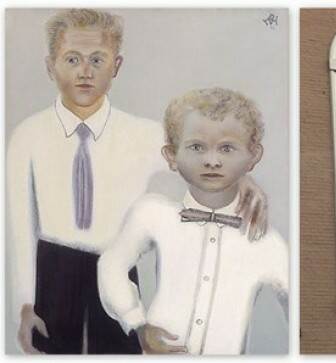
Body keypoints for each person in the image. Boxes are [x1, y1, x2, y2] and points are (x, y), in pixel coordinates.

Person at [6, 9, 266, 354]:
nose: (85, 71)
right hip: (53, 272)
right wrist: (24, 305)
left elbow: (198, 158)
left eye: (97, 59)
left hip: (116, 269)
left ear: (116, 65)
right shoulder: (28, 136)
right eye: (72, 59)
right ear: (50, 65)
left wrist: (244, 180)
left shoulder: (144, 134)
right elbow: (19, 229)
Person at [98, 87, 288, 355]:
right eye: (197, 147)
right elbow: (111, 265)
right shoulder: (152, 213)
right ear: (171, 156)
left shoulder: (267, 241)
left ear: (253, 156)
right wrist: (136, 324)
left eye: (227, 148)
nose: (212, 161)